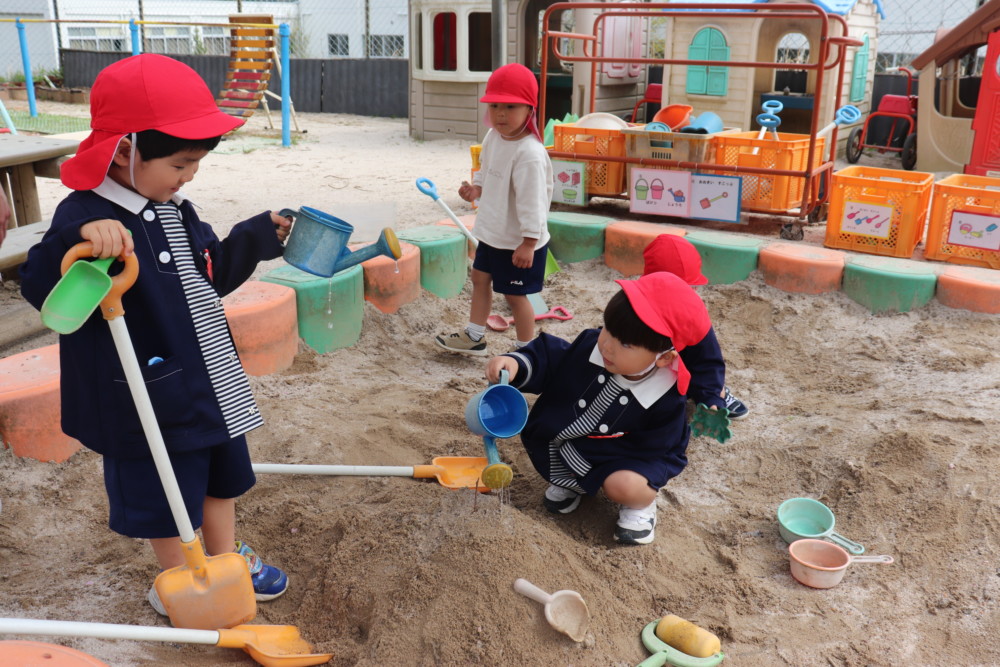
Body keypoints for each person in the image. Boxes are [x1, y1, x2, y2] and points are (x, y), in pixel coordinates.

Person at [19, 54, 292, 617]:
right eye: (180, 163)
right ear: (125, 150)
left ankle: (225, 558)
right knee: (167, 489)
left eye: (196, 163)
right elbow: (41, 284)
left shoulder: (175, 208)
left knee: (219, 475)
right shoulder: (85, 213)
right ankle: (182, 577)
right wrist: (81, 240)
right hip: (147, 392)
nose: (189, 175)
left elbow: (210, 272)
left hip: (209, 377)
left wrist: (255, 236)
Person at [484, 272, 727, 545]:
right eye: (608, 329)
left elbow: (660, 453)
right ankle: (572, 483)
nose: (608, 346)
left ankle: (640, 506)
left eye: (626, 343)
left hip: (622, 456)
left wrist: (632, 475)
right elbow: (551, 358)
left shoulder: (665, 396)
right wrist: (516, 363)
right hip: (570, 437)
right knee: (554, 453)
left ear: (664, 358)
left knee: (624, 486)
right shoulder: (591, 345)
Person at [436, 63, 553, 356]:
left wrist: (529, 243)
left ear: (530, 109)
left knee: (515, 295)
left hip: (519, 241)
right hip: (492, 232)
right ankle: (475, 335)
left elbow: (534, 203)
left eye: (510, 107)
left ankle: (526, 351)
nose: (500, 114)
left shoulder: (529, 153)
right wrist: (476, 189)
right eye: (495, 106)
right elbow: (486, 170)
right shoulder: (493, 137)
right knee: (479, 278)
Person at [643, 234, 748, 419]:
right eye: (687, 287)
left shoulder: (693, 314)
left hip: (678, 370)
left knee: (705, 382)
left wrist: (711, 398)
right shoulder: (633, 303)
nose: (694, 291)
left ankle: (717, 393)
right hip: (642, 372)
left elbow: (707, 359)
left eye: (692, 286)